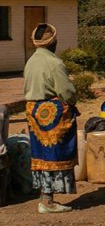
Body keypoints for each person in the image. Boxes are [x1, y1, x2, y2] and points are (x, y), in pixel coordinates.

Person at [23, 23, 78, 213]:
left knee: (41, 156)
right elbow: (66, 92)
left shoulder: (30, 61)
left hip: (33, 113)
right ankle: (48, 201)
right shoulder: (55, 63)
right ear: (53, 42)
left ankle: (44, 197)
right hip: (51, 114)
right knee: (54, 155)